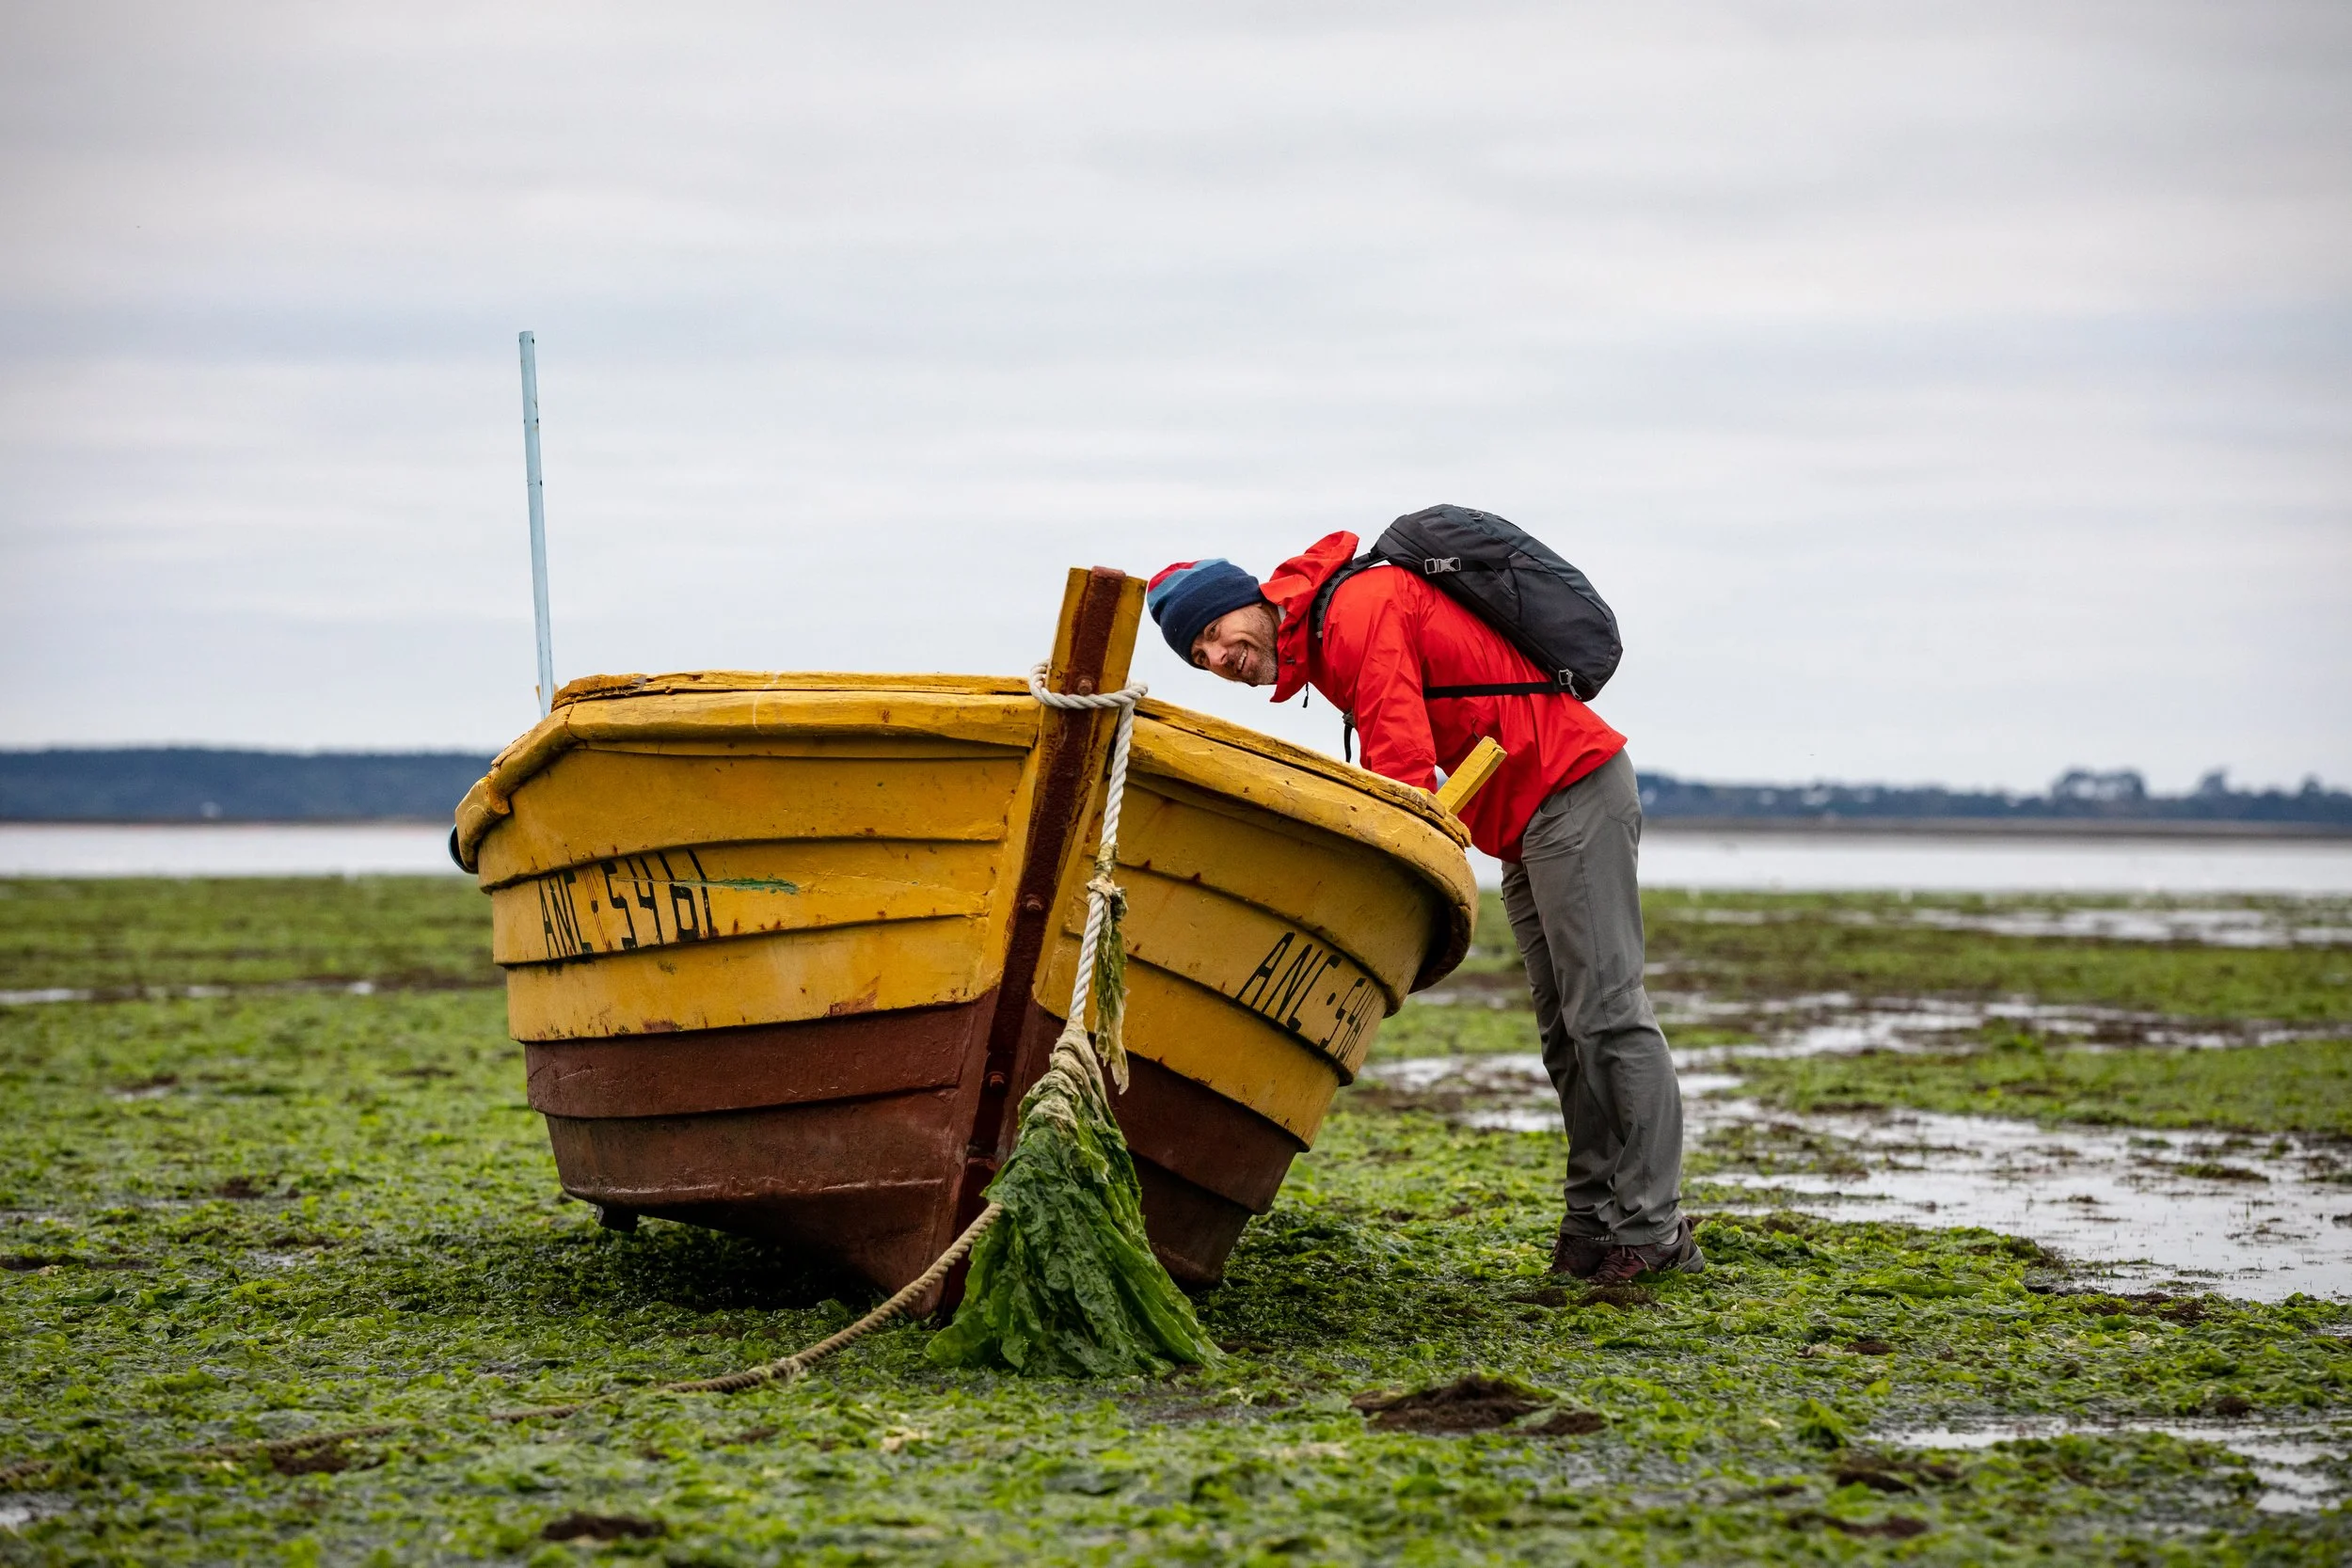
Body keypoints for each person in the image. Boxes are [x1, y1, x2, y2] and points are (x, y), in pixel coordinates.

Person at [1146, 533, 1701, 1285]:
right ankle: (1593, 1223)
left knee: (1607, 1013)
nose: (1219, 657)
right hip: (1526, 824)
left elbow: (1401, 768)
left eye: (1215, 631)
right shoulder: (1328, 632)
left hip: (1572, 788)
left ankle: (1654, 1229)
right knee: (1568, 1034)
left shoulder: (1357, 610)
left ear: (1251, 600)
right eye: (1199, 656)